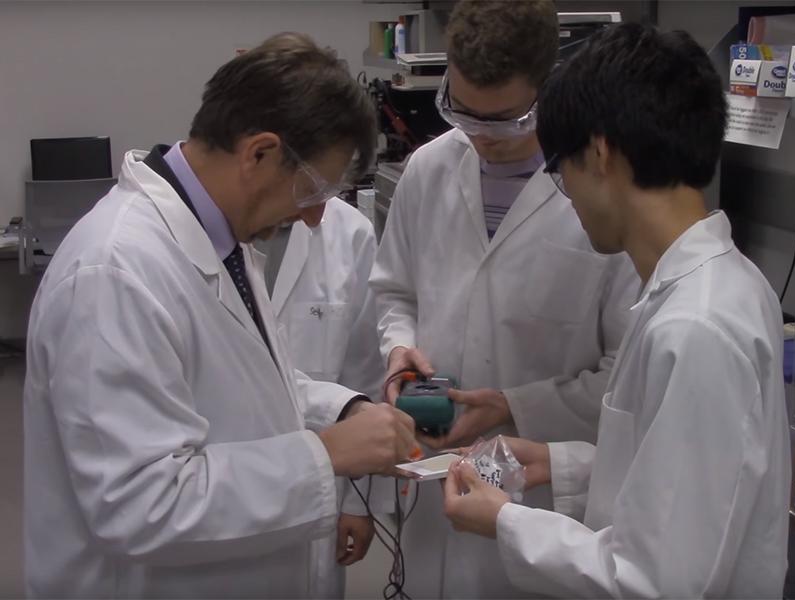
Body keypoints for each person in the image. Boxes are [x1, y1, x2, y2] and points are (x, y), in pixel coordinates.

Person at [23, 32, 416, 599]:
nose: (312, 219)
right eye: (313, 190)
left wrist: (342, 408)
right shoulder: (115, 273)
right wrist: (326, 454)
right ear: (259, 153)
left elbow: (245, 384)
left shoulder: (222, 241)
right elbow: (141, 505)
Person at [443, 22, 791, 598]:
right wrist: (563, 463)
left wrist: (505, 521)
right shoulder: (703, 287)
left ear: (599, 153)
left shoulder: (697, 327)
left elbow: (655, 581)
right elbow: (680, 482)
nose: (566, 194)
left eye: (560, 170)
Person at [370, 1, 639, 597]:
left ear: (550, 88)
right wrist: (400, 349)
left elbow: (626, 378)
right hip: (431, 470)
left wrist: (512, 405)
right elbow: (394, 291)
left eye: (507, 118)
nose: (484, 137)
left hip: (543, 502)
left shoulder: (603, 195)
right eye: (466, 114)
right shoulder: (427, 171)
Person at [258, 198, 387, 599]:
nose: (318, 214)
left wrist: (360, 501)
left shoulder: (349, 232)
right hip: (225, 496)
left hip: (321, 497)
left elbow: (366, 372)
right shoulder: (200, 247)